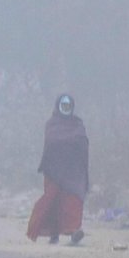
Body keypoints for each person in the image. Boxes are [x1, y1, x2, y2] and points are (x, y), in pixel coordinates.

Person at [26, 93, 89, 246]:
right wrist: (70, 142)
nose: (66, 108)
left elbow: (83, 143)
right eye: (63, 106)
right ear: (58, 107)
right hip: (54, 170)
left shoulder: (77, 124)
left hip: (73, 171)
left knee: (73, 200)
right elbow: (51, 142)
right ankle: (53, 234)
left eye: (68, 106)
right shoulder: (52, 124)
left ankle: (74, 231)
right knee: (52, 201)